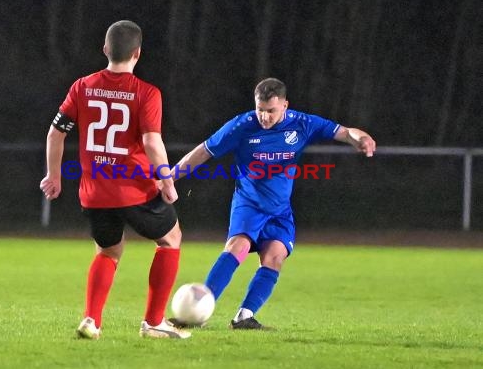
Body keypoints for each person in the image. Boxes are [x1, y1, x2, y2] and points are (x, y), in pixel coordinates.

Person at [170, 78, 376, 329]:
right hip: (249, 203)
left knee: (275, 257)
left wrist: (361, 138)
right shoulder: (241, 125)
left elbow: (344, 132)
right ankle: (198, 312)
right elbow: (204, 151)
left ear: (285, 106)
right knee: (238, 247)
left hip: (280, 210)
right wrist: (170, 177)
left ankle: (244, 317)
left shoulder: (303, 123)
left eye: (271, 111)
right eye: (260, 110)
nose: (264, 117)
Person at [40, 20, 190, 339]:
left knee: (107, 251)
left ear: (106, 49)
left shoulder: (82, 86)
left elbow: (55, 132)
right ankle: (152, 322)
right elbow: (151, 142)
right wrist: (166, 180)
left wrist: (54, 176)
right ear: (138, 53)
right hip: (135, 189)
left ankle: (91, 320)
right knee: (171, 239)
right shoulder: (147, 93)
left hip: (94, 193)